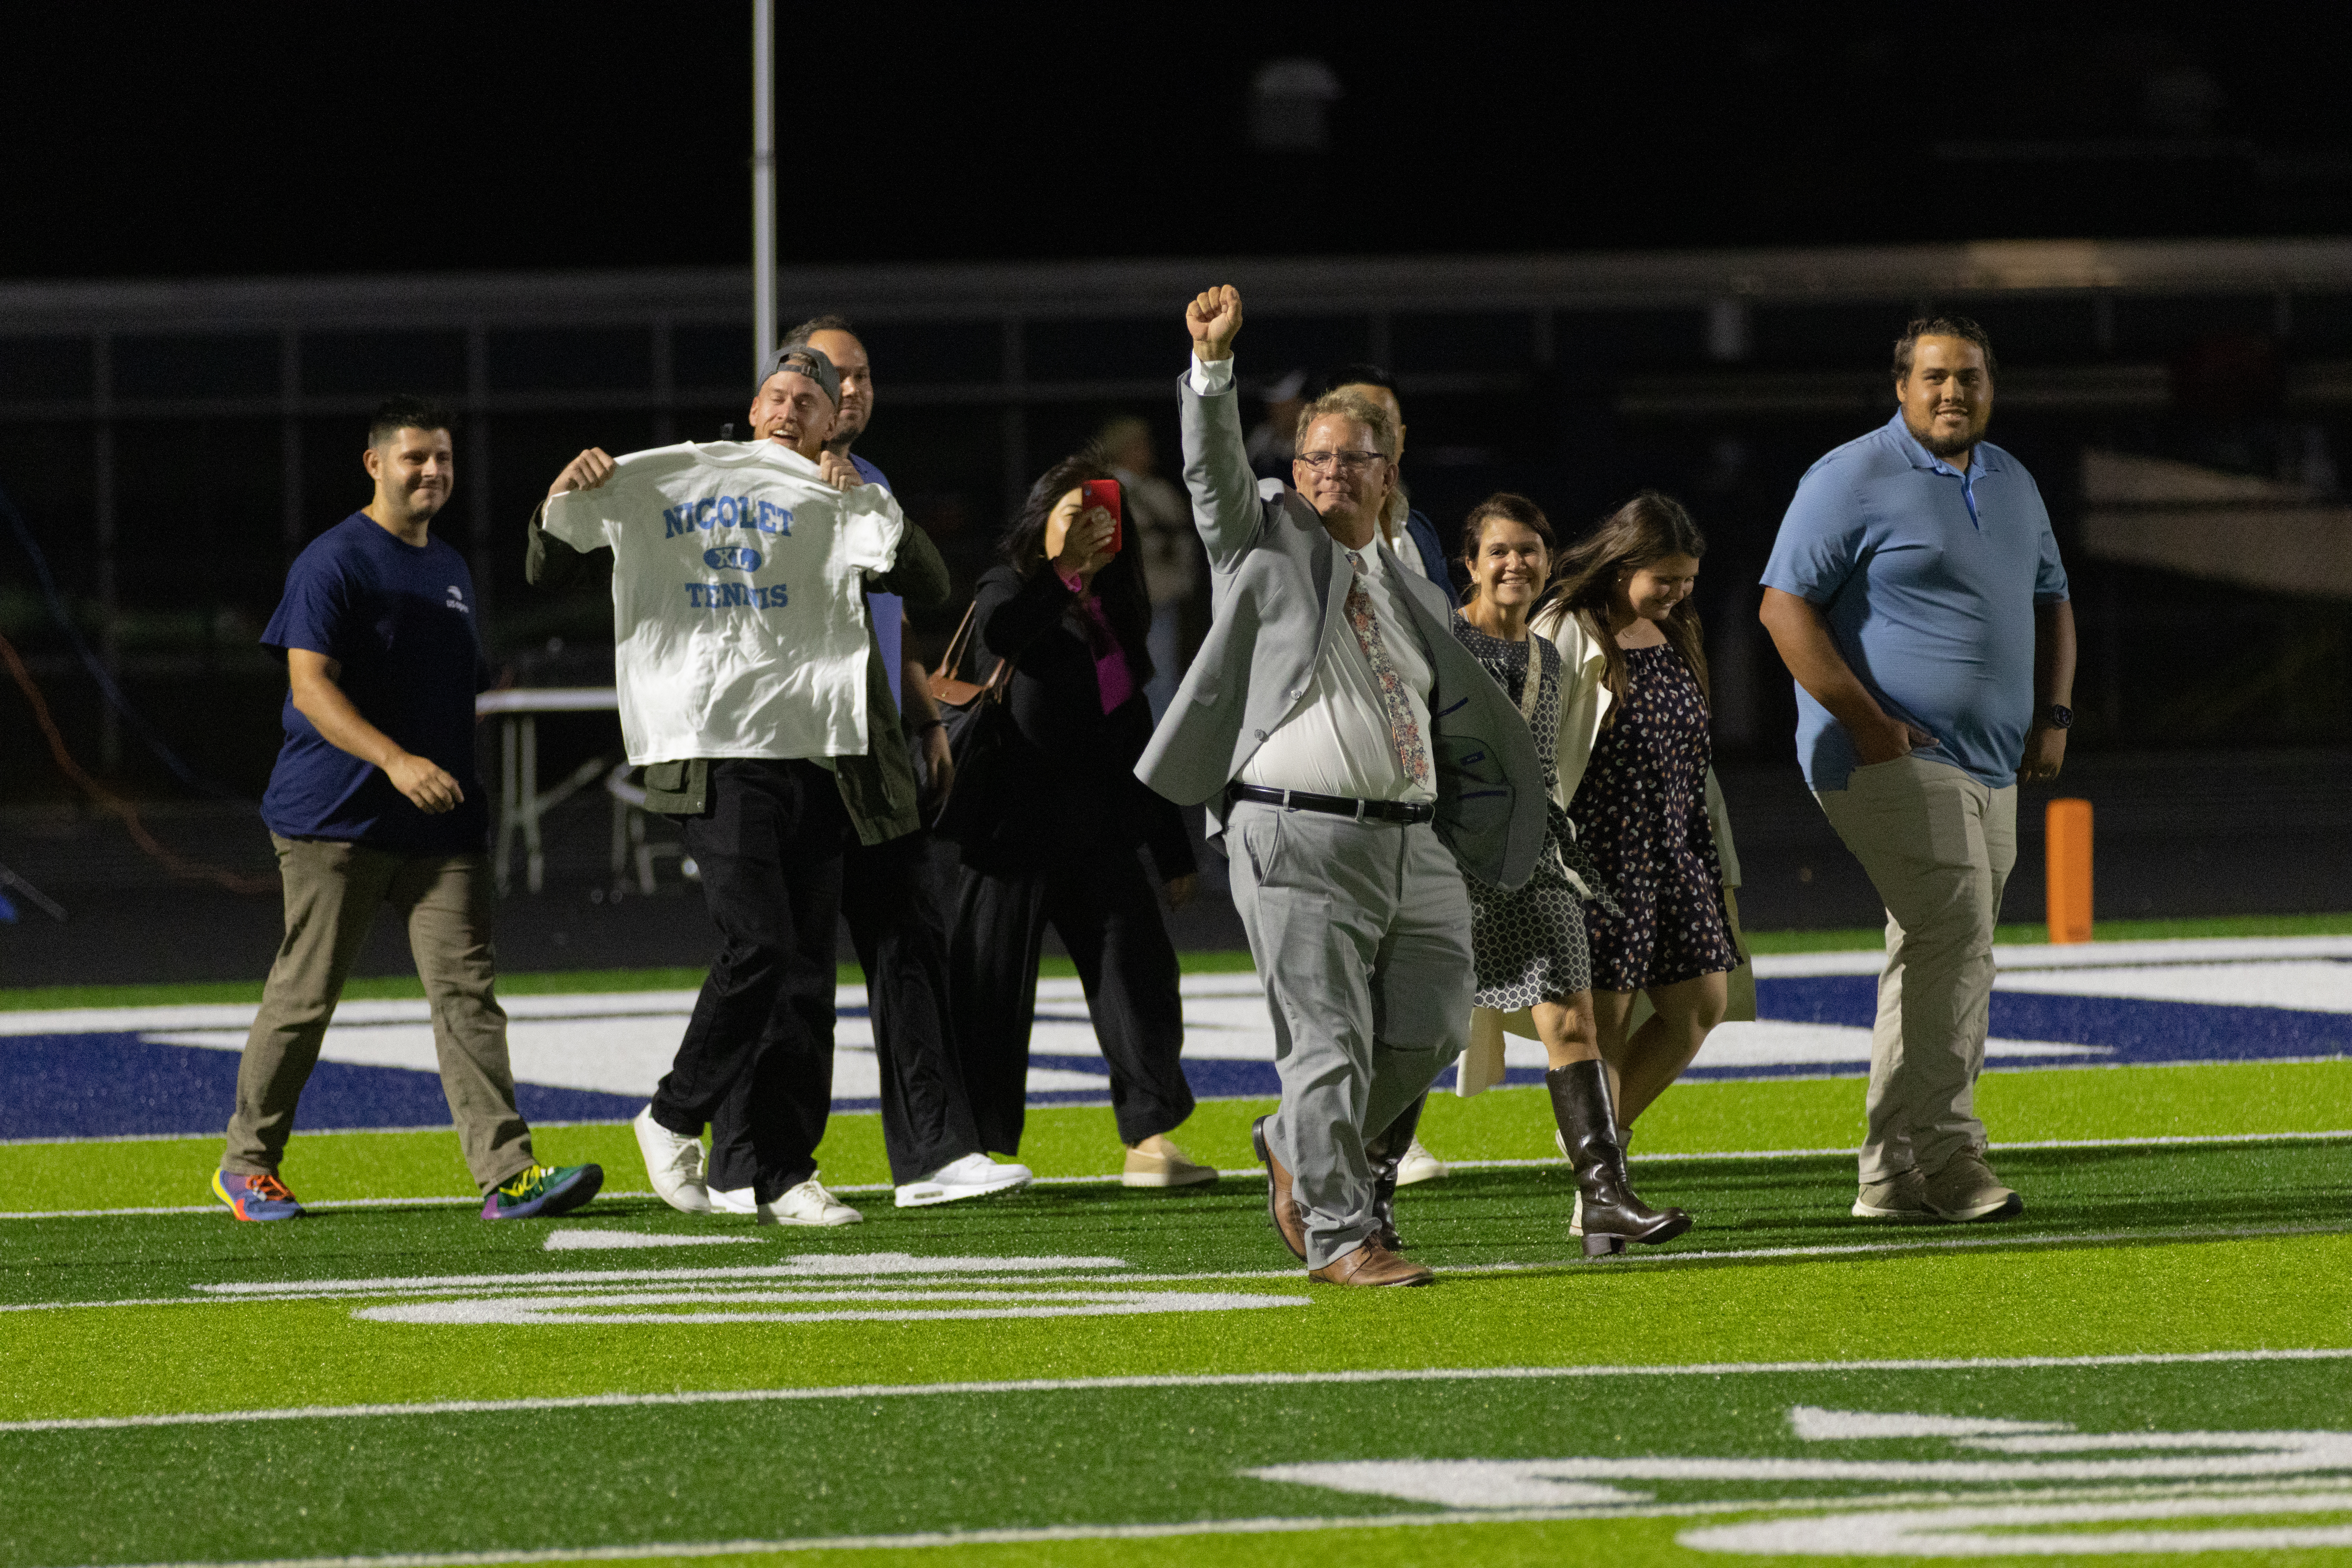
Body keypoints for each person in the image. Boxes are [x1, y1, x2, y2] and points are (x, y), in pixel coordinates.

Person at [1138, 285, 1546, 1288]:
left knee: (1432, 1027)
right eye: (1310, 457)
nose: (1323, 472)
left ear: (1385, 473)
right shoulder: (1264, 538)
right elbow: (1211, 473)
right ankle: (1337, 1234)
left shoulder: (1406, 567)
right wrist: (1212, 368)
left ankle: (1294, 1142)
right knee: (1324, 1040)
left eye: (1345, 459)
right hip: (1294, 833)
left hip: (1414, 839)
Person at [532, 345, 936, 1226]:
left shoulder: (839, 494)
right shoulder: (679, 476)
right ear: (753, 412)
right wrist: (565, 493)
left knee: (802, 980)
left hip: (818, 754)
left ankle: (784, 1174)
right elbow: (550, 560)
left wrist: (857, 493)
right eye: (778, 396)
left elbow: (924, 576)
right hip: (713, 746)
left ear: (837, 427)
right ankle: (674, 1116)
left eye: (810, 403)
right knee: (757, 946)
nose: (791, 409)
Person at [213, 396, 602, 1223]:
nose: (432, 471)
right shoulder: (336, 560)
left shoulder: (450, 566)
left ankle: (508, 1174)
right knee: (307, 994)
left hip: (441, 828)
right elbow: (309, 686)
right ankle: (248, 1164)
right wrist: (395, 758)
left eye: (443, 459)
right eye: (415, 457)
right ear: (375, 464)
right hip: (335, 819)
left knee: (468, 995)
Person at [1759, 315, 2074, 1224]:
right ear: (1901, 387)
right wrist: (1867, 721)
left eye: (1969, 377)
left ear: (1991, 385)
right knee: (1958, 942)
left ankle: (1889, 1178)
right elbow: (1785, 609)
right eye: (1934, 377)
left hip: (1995, 762)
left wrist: (2054, 714)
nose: (1952, 393)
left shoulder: (2012, 478)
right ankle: (1952, 1161)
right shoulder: (1850, 474)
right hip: (1893, 758)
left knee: (1935, 957)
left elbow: (2054, 601)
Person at [782, 314, 1032, 1210]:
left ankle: (931, 1155)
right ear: (793, 382)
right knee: (782, 964)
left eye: (865, 377)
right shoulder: (758, 481)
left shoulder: (870, 479)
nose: (855, 391)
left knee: (910, 945)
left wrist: (924, 717)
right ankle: (756, 1161)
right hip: (794, 753)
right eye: (835, 376)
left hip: (878, 745)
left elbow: (895, 614)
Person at [943, 456, 1214, 1189]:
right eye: (1075, 515)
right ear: (1043, 524)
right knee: (987, 991)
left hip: (1099, 834)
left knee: (1141, 979)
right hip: (1008, 834)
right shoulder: (1010, 585)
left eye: (1104, 517)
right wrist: (1061, 573)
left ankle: (1149, 1142)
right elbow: (1000, 636)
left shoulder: (1117, 614)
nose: (1093, 528)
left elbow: (1135, 740)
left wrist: (1170, 849)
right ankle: (968, 1152)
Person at [1451, 493, 1691, 1255]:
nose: (1515, 564)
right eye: (1499, 551)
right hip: (1448, 869)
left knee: (1576, 1024)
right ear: (1471, 564)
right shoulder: (1441, 647)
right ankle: (1306, 1151)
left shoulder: (1547, 656)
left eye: (1529, 550)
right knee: (1411, 1037)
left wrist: (1568, 861)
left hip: (1541, 864)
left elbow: (1547, 774)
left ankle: (1604, 1198)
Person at [1533, 492, 1742, 1225]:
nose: (1680, 592)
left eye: (1688, 578)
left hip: (1676, 848)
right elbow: (1535, 748)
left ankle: (1606, 1161)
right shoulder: (1563, 628)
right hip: (1597, 852)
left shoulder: (1674, 629)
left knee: (1700, 1004)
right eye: (1666, 578)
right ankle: (1601, 1193)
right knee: (1606, 1027)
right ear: (1621, 565)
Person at [1313, 362, 1457, 1194]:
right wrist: (1212, 372)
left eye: (1382, 430)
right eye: (1345, 436)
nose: (1364, 448)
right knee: (1339, 1011)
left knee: (1433, 1010)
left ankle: (1359, 1133)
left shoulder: (1417, 533)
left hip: (1417, 798)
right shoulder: (1292, 525)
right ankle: (1349, 1184)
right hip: (1321, 808)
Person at [1094, 414, 1199, 719]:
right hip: (1139, 604)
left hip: (1142, 604)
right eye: (1141, 445)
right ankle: (1154, 760)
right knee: (1153, 685)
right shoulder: (1117, 492)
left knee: (1132, 686)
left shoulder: (1131, 490)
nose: (1149, 451)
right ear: (1124, 449)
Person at [1315, 364, 1452, 592]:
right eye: (1356, 421)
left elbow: (1451, 621)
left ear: (1403, 437)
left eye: (1383, 422)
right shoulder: (1307, 529)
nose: (1370, 435)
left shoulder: (1420, 531)